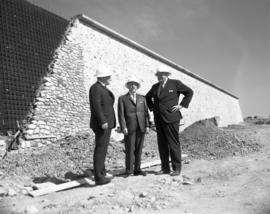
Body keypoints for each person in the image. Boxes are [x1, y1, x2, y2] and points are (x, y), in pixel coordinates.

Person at [145, 65, 193, 176]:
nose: (159, 77)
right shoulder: (155, 86)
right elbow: (147, 97)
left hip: (172, 118)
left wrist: (181, 105)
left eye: (161, 74)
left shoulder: (175, 83)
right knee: (162, 144)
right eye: (158, 75)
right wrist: (152, 108)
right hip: (159, 119)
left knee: (173, 143)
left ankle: (176, 169)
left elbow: (189, 92)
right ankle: (165, 168)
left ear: (167, 74)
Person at [89, 65, 116, 185]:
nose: (110, 78)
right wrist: (102, 121)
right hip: (102, 124)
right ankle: (99, 177)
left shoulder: (102, 88)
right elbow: (96, 106)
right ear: (104, 77)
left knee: (103, 148)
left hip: (107, 123)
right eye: (109, 76)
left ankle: (102, 171)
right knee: (100, 149)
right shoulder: (96, 88)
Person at [118, 76, 150, 176]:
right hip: (129, 128)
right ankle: (129, 170)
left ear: (137, 86)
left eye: (135, 84)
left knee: (139, 149)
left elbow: (145, 113)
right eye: (131, 84)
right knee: (129, 149)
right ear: (128, 86)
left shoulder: (142, 98)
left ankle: (137, 169)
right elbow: (121, 114)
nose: (133, 86)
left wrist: (147, 125)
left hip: (141, 127)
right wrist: (123, 127)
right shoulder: (122, 98)